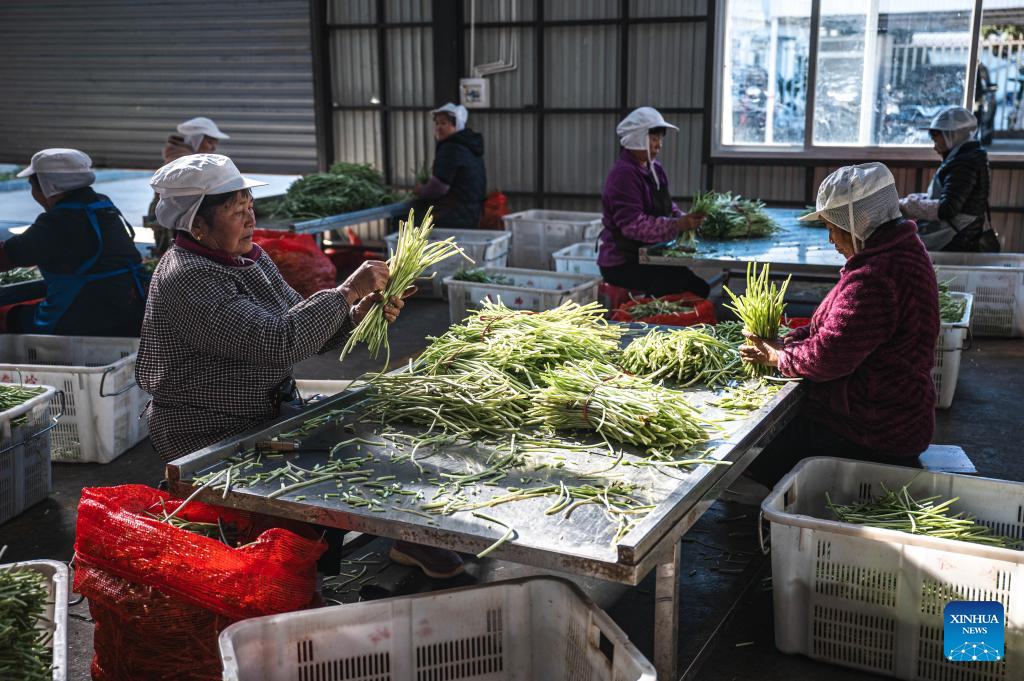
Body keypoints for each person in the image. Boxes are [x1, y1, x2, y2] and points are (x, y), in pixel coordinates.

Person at [137, 153, 463, 578]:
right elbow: (276, 340)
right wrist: (346, 291)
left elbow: (300, 326)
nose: (251, 219)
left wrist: (358, 314)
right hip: (209, 429)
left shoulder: (249, 258)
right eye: (237, 212)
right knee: (325, 475)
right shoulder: (188, 277)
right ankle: (316, 553)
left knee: (367, 439)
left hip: (264, 414)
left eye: (250, 206)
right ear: (197, 225)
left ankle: (402, 535)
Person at [739, 163, 939, 488]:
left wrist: (778, 357)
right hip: (895, 416)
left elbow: (828, 357)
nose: (830, 239)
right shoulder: (901, 249)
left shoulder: (875, 277)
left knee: (750, 452)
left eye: (834, 228)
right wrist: (791, 340)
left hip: (874, 431)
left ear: (860, 222)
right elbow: (839, 329)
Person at [0, 148, 146, 336]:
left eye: (33, 186)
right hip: (132, 306)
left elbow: (8, 256)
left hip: (89, 316)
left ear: (46, 186)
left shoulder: (58, 221)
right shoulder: (101, 205)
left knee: (5, 317)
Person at [598, 107, 708, 298]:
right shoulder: (624, 175)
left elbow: (668, 206)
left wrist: (687, 219)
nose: (659, 145)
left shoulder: (654, 168)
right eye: (654, 139)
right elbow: (633, 226)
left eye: (660, 139)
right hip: (622, 262)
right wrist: (678, 225)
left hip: (649, 253)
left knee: (698, 287)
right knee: (690, 289)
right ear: (637, 139)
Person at [899, 106, 1000, 252]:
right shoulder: (967, 158)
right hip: (962, 234)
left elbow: (947, 209)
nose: (935, 147)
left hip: (957, 238)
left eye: (936, 140)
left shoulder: (964, 164)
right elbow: (949, 197)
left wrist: (910, 206)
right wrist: (916, 200)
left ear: (952, 136)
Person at [146, 117, 231, 256]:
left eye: (215, 143)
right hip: (170, 220)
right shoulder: (181, 160)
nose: (213, 148)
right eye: (210, 142)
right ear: (196, 140)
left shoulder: (190, 157)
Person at [413, 103, 486, 229]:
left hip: (451, 216)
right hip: (471, 215)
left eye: (443, 123)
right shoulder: (469, 146)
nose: (438, 127)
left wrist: (421, 190)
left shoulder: (451, 148)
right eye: (437, 123)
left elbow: (438, 188)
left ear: (456, 125)